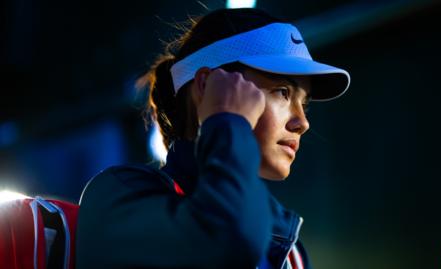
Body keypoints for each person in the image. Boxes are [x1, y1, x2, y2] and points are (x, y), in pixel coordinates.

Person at [75, 8, 350, 269]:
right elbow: (229, 239)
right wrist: (229, 120)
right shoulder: (119, 195)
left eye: (305, 103)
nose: (302, 122)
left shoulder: (288, 248)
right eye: (282, 92)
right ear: (207, 85)